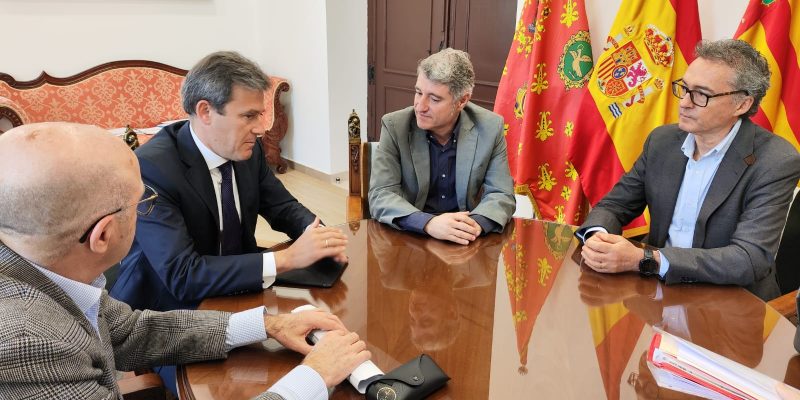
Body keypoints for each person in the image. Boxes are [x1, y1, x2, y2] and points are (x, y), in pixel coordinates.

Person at [0, 122, 370, 399]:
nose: (146, 211)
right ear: (103, 235)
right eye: (140, 205)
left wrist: (269, 326)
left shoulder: (43, 268)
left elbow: (129, 330)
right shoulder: (29, 344)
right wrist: (314, 377)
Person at [111, 51, 348, 313]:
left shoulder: (248, 150)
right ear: (205, 111)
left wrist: (320, 237)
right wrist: (285, 259)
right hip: (166, 309)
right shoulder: (151, 169)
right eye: (249, 116)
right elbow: (183, 275)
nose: (260, 128)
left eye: (261, 114)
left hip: (238, 286)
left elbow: (282, 207)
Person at [575, 39, 800, 301]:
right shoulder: (663, 142)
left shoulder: (775, 160)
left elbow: (748, 258)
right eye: (684, 88)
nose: (684, 103)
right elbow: (614, 206)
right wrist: (598, 237)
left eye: (701, 95)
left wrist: (646, 259)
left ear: (741, 104)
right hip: (656, 293)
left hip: (731, 303)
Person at [368, 48, 515, 245]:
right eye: (418, 92)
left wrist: (471, 226)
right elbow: (381, 194)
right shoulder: (395, 126)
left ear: (462, 100)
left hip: (466, 240)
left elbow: (501, 193)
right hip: (411, 237)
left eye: (434, 99)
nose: (420, 106)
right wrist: (429, 223)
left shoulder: (489, 127)